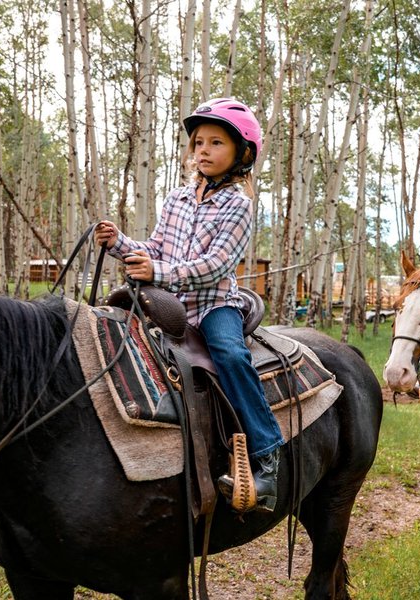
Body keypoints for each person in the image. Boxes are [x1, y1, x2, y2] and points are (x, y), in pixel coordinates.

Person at [94, 97, 284, 512]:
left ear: (242, 153)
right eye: (198, 142)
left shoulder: (238, 205)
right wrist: (119, 243)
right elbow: (157, 247)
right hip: (169, 301)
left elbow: (216, 266)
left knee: (231, 355)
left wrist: (158, 273)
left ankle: (267, 454)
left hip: (214, 304)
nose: (203, 150)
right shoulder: (178, 198)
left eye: (216, 143)